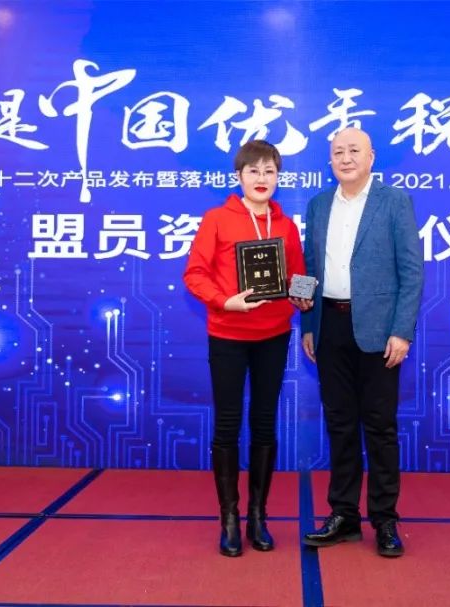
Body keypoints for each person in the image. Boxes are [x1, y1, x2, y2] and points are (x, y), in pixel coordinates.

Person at [298, 127, 423, 557]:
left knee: (380, 427)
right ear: (330, 160)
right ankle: (344, 515)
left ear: (371, 157)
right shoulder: (318, 205)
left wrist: (402, 330)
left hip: (380, 331)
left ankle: (385, 521)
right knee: (340, 425)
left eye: (354, 150)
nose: (346, 158)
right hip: (329, 327)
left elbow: (412, 272)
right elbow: (309, 266)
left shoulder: (394, 202)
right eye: (338, 152)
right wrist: (308, 323)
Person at [184, 139, 309, 557]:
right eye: (253, 170)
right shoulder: (217, 219)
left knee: (264, 425)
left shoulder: (286, 226)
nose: (261, 178)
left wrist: (303, 296)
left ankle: (258, 516)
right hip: (228, 334)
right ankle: (229, 518)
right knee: (227, 425)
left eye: (270, 171)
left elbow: (297, 275)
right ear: (238, 176)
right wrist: (225, 301)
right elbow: (194, 274)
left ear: (278, 177)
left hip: (274, 334)